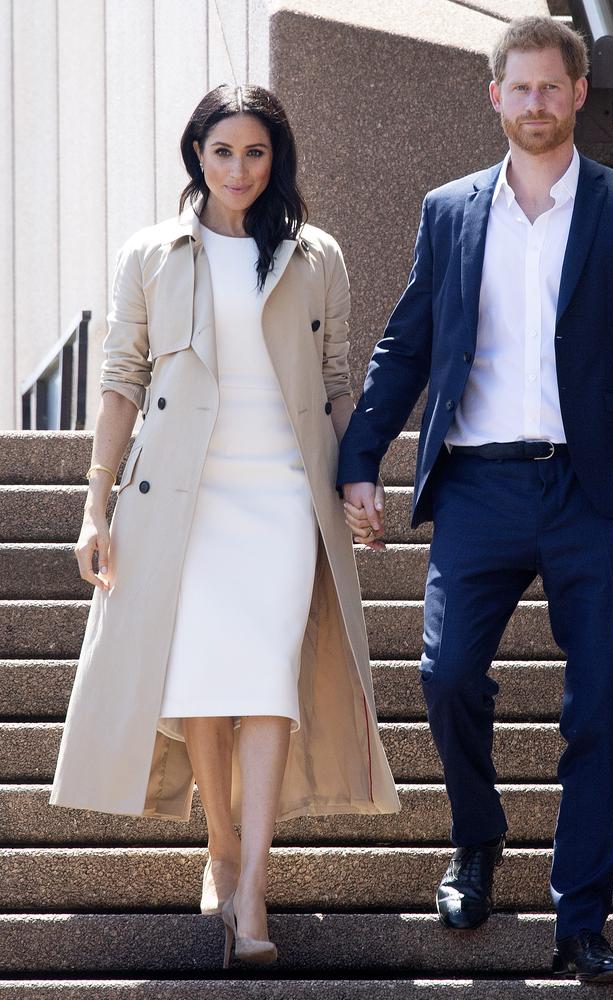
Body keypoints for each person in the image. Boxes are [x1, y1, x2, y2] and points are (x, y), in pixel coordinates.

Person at [50, 83, 399, 969]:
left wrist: (357, 477)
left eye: (255, 152)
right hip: (182, 497)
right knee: (203, 679)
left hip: (283, 493)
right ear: (195, 156)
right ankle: (222, 847)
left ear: (275, 158)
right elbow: (121, 378)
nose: (239, 169)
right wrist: (97, 503)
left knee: (267, 680)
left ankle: (253, 892)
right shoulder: (152, 254)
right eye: (222, 152)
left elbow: (336, 378)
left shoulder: (314, 252)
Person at [338, 16, 613, 985]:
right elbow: (404, 345)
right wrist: (359, 459)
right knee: (445, 673)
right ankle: (477, 837)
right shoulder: (449, 210)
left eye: (550, 88)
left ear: (578, 89)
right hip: (476, 482)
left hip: (589, 489)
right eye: (518, 89)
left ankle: (581, 918)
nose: (535, 105)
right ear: (493, 97)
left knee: (596, 706)